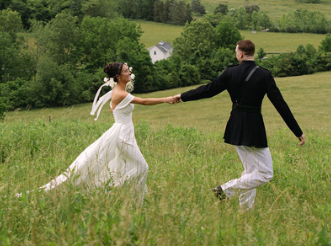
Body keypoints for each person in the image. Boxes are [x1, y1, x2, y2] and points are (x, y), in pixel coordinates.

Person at [170, 39, 304, 209]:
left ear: (240, 54)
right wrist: (297, 131)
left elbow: (208, 90)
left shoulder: (230, 73)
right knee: (266, 173)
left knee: (250, 172)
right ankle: (225, 190)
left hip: (235, 125)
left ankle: (245, 211)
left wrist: (182, 96)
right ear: (252, 54)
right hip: (254, 127)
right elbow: (280, 104)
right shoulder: (264, 75)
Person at [35, 62, 179, 198]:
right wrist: (166, 99)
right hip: (123, 136)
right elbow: (143, 101)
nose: (129, 73)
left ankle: (127, 195)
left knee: (127, 166)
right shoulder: (120, 93)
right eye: (126, 71)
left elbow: (113, 108)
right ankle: (114, 190)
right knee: (143, 167)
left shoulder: (118, 92)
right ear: (118, 77)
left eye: (128, 70)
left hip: (126, 132)